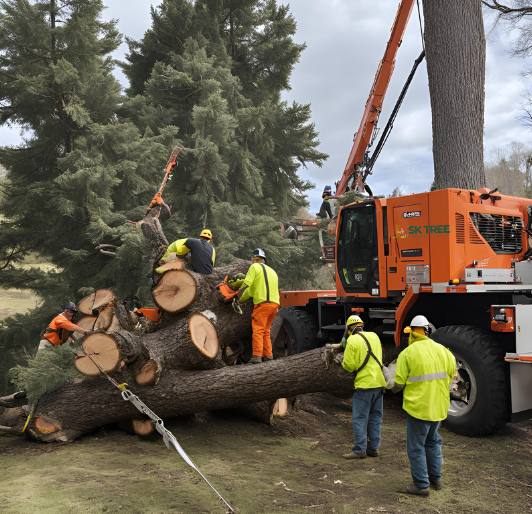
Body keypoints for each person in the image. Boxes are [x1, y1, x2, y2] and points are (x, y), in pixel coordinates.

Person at [389, 315, 456, 496]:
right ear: (428, 331)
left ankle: (421, 485)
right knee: (433, 442)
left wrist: (388, 384)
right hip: (439, 406)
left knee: (416, 446)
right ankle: (436, 479)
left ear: (411, 332)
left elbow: (398, 384)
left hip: (418, 408)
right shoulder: (444, 351)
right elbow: (451, 377)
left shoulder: (407, 354)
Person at [341, 314, 386, 460]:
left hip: (364, 385)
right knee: (375, 418)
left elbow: (349, 365)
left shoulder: (352, 340)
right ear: (361, 325)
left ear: (349, 328)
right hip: (379, 384)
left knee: (360, 418)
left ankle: (360, 449)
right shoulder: (374, 336)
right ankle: (373, 448)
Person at [231, 248, 279, 364]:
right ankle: (268, 355)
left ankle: (257, 356)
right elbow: (251, 291)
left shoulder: (254, 267)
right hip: (274, 305)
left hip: (262, 304)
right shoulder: (272, 271)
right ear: (264, 260)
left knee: (258, 330)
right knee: (266, 331)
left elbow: (247, 284)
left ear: (254, 259)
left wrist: (236, 297)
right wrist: (241, 299)